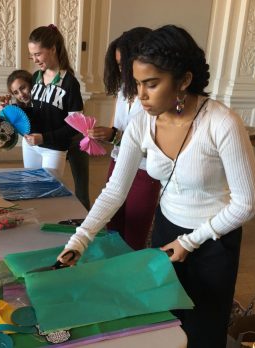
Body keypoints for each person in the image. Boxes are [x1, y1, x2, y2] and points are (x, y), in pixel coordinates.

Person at [58, 25, 255, 348]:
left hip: (213, 241)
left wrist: (191, 242)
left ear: (183, 80)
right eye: (137, 84)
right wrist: (79, 240)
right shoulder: (142, 123)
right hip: (168, 231)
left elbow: (249, 203)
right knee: (166, 322)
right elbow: (115, 190)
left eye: (151, 84)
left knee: (203, 330)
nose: (141, 95)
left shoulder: (222, 123)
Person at [88, 27, 160, 250]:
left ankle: (129, 272)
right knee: (113, 223)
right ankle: (114, 267)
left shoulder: (154, 94)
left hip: (144, 169)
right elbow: (118, 127)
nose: (121, 71)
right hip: (118, 161)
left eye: (123, 65)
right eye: (117, 65)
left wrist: (116, 136)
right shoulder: (123, 90)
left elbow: (154, 143)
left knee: (135, 232)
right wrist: (106, 135)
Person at [25, 24, 90, 209]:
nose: (35, 59)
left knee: (48, 195)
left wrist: (45, 137)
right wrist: (13, 110)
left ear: (53, 49)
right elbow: (35, 111)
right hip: (31, 144)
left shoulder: (70, 83)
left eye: (38, 54)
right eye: (32, 55)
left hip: (54, 146)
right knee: (32, 190)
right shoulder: (36, 76)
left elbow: (76, 126)